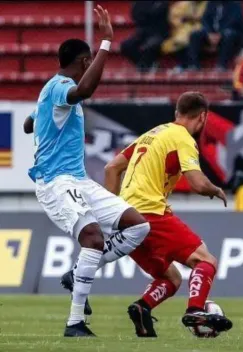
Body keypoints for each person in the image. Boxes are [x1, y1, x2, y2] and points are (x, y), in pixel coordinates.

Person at [23, 6, 150, 337]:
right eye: (90, 60)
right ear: (84, 62)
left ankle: (76, 272)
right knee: (93, 237)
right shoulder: (62, 86)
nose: (92, 66)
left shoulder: (51, 93)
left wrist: (36, 120)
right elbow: (85, 90)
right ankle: (75, 321)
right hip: (55, 182)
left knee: (138, 226)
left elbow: (28, 123)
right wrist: (106, 43)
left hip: (77, 180)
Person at [103, 92, 233, 337]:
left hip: (125, 219)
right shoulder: (182, 137)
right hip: (150, 213)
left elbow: (112, 168)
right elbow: (197, 183)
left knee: (171, 278)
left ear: (177, 113)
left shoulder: (152, 134)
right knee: (206, 261)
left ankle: (143, 307)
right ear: (203, 117)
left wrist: (112, 211)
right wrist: (215, 189)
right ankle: (196, 310)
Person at [186, 1, 243, 71]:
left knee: (229, 34)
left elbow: (234, 21)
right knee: (194, 34)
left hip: (227, 32)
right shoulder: (211, 3)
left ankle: (221, 65)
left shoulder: (235, 4)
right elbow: (205, 19)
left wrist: (220, 33)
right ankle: (194, 64)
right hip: (211, 33)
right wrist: (209, 32)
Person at [120, 1, 170, 72]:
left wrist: (146, 11)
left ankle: (146, 66)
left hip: (161, 33)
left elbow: (159, 11)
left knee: (151, 45)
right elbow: (136, 15)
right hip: (143, 33)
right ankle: (145, 65)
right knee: (126, 46)